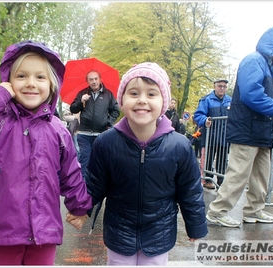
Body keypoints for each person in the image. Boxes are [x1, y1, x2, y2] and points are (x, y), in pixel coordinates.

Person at [0, 40, 92, 265]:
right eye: (21, 76)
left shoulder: (59, 130)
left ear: (51, 85)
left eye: (40, 77)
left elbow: (71, 173)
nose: (30, 83)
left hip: (44, 232)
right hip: (3, 232)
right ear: (8, 82)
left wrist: (79, 206)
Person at [84, 62, 208, 266]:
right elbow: (94, 184)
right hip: (119, 233)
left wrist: (195, 225)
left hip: (158, 234)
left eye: (151, 94)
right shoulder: (106, 143)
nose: (142, 100)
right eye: (133, 93)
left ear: (164, 102)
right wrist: (80, 209)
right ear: (121, 101)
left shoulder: (179, 146)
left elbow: (190, 191)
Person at [206, 27, 273, 228]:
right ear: (270, 44)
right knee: (238, 173)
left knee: (262, 174)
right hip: (247, 128)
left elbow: (267, 96)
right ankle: (217, 211)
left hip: (261, 129)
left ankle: (254, 209)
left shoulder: (268, 67)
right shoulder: (253, 61)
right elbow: (251, 94)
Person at [70, 70, 120, 177]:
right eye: (91, 79)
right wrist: (80, 102)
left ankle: (98, 186)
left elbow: (116, 110)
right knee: (85, 160)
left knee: (100, 161)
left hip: (101, 134)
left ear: (100, 79)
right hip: (84, 133)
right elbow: (73, 109)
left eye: (96, 79)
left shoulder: (108, 94)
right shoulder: (82, 93)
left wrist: (108, 122)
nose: (94, 82)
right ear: (87, 81)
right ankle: (84, 188)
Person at [194, 79, 232, 189]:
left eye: (224, 86)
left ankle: (221, 181)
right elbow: (198, 115)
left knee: (222, 159)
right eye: (220, 86)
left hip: (224, 137)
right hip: (210, 137)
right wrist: (205, 120)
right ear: (214, 86)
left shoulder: (230, 100)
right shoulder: (207, 100)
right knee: (208, 158)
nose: (222, 88)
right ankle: (208, 179)